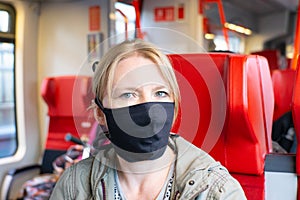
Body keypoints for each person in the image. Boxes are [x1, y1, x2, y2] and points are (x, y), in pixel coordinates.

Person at [50, 39, 246, 199]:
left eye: (160, 93)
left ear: (174, 103)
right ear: (101, 114)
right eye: (128, 95)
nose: (149, 109)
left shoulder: (216, 191)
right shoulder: (73, 187)